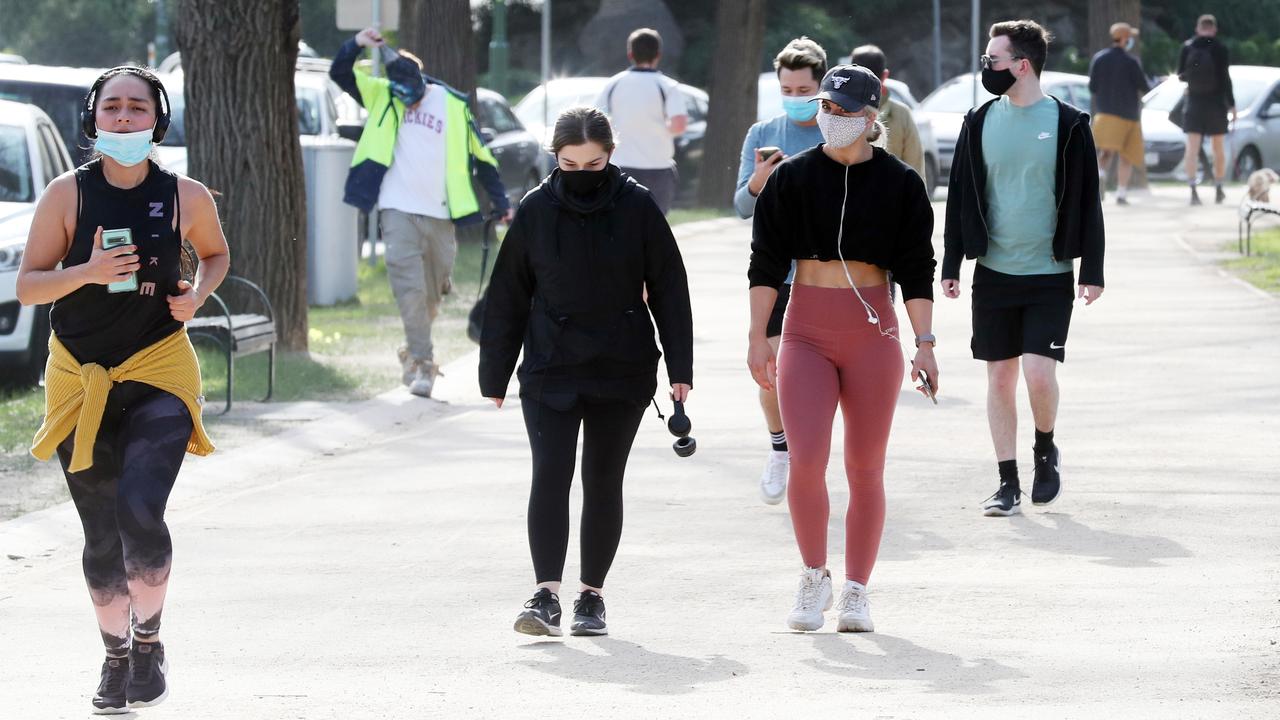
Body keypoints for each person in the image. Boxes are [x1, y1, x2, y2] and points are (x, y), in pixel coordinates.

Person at [15, 65, 229, 713]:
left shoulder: (186, 195)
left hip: (159, 365)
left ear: (157, 121)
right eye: (114, 108)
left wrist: (199, 293)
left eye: (139, 108)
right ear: (94, 117)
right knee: (101, 532)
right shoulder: (65, 195)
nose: (126, 118)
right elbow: (28, 286)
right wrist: (87, 271)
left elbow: (215, 256)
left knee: (140, 509)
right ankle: (115, 659)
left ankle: (150, 640)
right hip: (80, 377)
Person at [479, 107, 693, 637]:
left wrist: (680, 368)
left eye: (593, 163)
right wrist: (495, 373)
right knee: (549, 474)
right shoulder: (534, 209)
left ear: (611, 155)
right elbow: (508, 293)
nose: (581, 173)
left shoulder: (638, 207)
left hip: (622, 365)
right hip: (551, 363)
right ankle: (544, 595)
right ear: (555, 158)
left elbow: (669, 287)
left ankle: (591, 598)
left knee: (602, 479)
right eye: (569, 164)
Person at [749, 65, 938, 633]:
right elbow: (763, 263)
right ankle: (813, 576)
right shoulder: (792, 179)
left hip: (873, 333)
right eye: (828, 109)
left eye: (845, 111)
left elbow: (917, 270)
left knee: (865, 466)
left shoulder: (901, 184)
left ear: (871, 116)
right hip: (805, 328)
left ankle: (857, 589)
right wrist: (758, 335)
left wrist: (925, 343)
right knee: (806, 459)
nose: (832, 119)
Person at [942, 20, 1105, 517]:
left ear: (1021, 64)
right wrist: (951, 261)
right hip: (993, 272)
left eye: (993, 60)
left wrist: (1092, 268)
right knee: (998, 379)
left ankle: (1045, 449)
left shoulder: (1070, 124)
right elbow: (959, 199)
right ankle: (1006, 481)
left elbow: (1088, 200)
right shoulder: (978, 121)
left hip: (1049, 272)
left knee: (1038, 373)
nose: (986, 68)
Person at [330, 27, 513, 397]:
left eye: (412, 97)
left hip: (441, 214)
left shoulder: (451, 103)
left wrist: (501, 201)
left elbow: (481, 155)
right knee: (408, 289)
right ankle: (424, 364)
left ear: (423, 83)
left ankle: (412, 350)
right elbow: (339, 74)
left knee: (431, 296)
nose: (407, 103)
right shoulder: (383, 94)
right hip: (397, 208)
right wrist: (358, 44)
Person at [733, 36, 827, 505]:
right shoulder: (761, 132)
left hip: (825, 276)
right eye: (786, 89)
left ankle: (814, 458)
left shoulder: (838, 131)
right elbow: (740, 206)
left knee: (818, 376)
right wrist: (759, 180)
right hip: (775, 273)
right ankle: (779, 447)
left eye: (803, 89)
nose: (794, 98)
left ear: (821, 86)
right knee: (768, 370)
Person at [594, 28, 688, 215]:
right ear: (658, 55)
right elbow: (679, 125)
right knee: (655, 225)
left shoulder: (613, 84)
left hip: (620, 167)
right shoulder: (667, 86)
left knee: (622, 222)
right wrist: (658, 128)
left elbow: (597, 121)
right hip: (658, 168)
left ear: (630, 54)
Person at [1088, 22, 1150, 206]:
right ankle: (1121, 193)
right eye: (1129, 37)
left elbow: (1092, 87)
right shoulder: (1131, 62)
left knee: (1105, 153)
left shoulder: (1099, 58)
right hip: (1128, 115)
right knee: (1126, 156)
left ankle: (1100, 177)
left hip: (1105, 114)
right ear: (1124, 39)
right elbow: (1144, 86)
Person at [1177, 14, 1235, 205]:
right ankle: (1218, 187)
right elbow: (1225, 78)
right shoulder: (1220, 48)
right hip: (1216, 103)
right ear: (1214, 29)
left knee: (1192, 148)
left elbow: (1180, 76)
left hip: (1194, 102)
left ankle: (1193, 190)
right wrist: (1232, 104)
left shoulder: (1187, 47)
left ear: (1198, 28)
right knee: (1218, 148)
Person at [849, 44, 926, 180]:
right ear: (885, 75)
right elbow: (915, 167)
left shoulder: (836, 112)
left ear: (850, 74)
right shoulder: (902, 114)